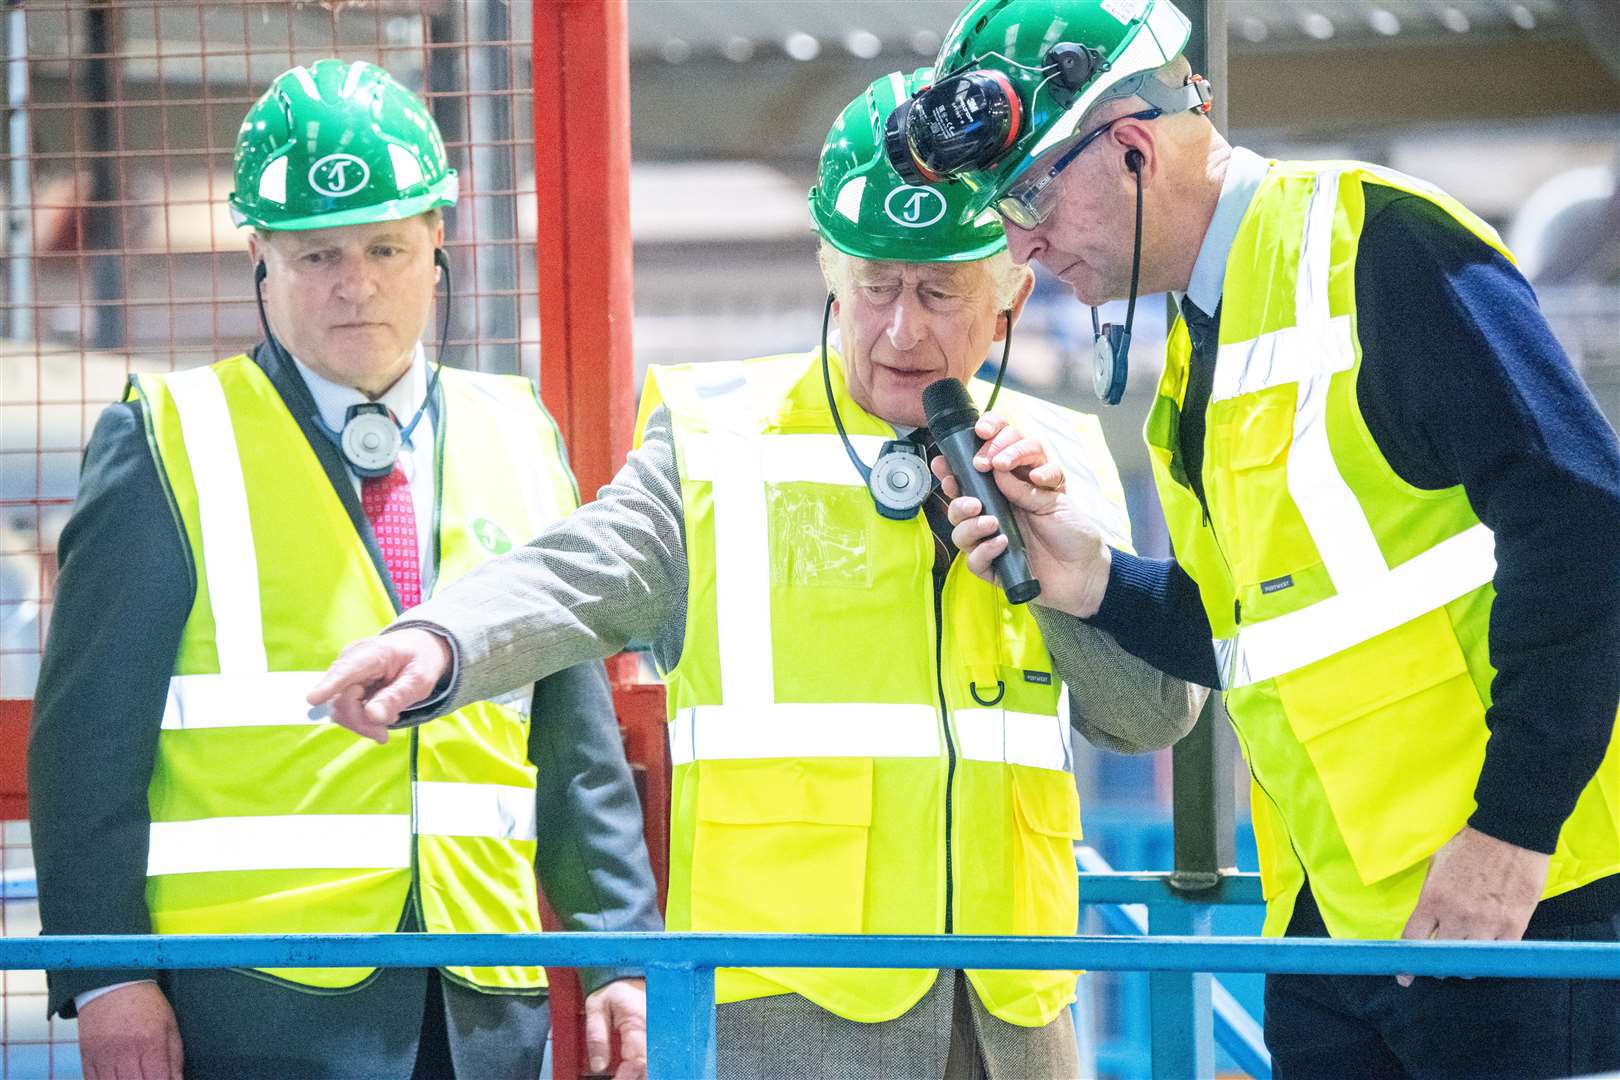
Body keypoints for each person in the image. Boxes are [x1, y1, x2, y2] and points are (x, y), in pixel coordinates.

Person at [306, 69, 1203, 1079]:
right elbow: (573, 571)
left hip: (1010, 1012)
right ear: (834, 278)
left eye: (940, 292)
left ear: (1010, 302)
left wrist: (1070, 576)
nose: (901, 330)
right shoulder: (717, 439)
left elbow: (1150, 717)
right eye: (875, 286)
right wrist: (440, 637)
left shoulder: (1060, 455)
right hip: (785, 1007)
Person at [892, 1, 1620, 1076]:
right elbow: (1249, 636)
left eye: (1032, 194)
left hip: (1523, 903)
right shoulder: (1197, 347)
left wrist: (1511, 837)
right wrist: (1086, 577)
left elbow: (1587, 528)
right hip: (1334, 929)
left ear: (1132, 148)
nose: (1023, 245)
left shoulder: (1381, 246)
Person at [27, 59, 658, 1080]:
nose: (355, 283)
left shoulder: (518, 433)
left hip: (483, 990)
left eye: (385, 247)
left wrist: (622, 951)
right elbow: (85, 744)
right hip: (250, 992)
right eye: (317, 254)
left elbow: (573, 731)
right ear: (259, 255)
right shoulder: (168, 440)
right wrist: (105, 974)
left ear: (438, 242)